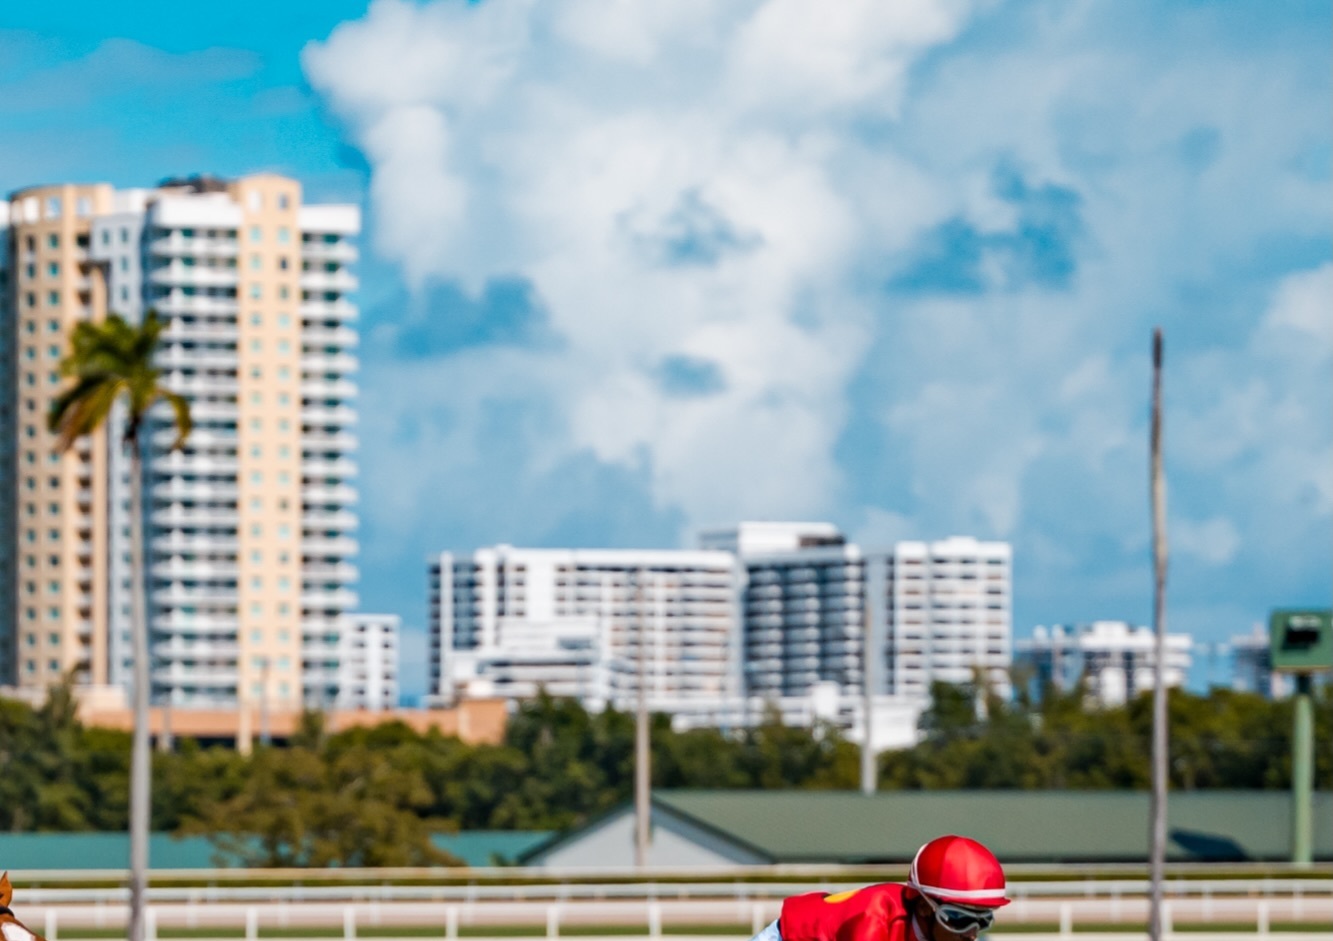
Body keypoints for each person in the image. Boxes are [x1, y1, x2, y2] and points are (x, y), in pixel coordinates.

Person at [751, 835, 1008, 941]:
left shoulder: (933, 931)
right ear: (924, 907)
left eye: (982, 920)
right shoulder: (876, 922)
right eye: (959, 919)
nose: (972, 934)